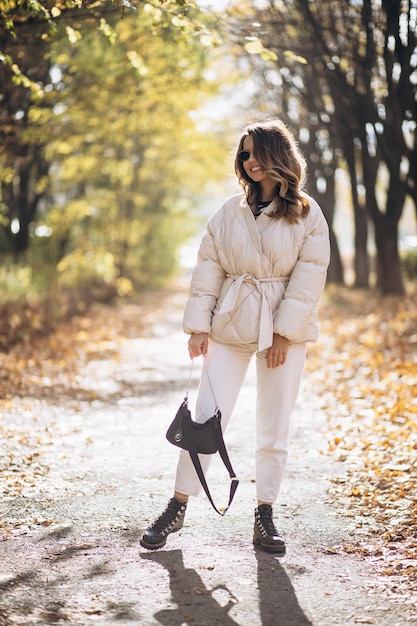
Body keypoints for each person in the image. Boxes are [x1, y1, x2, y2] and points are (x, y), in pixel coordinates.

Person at [140, 119, 330, 553]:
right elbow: (208, 269)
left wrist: (284, 333)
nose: (250, 160)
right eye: (244, 153)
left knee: (274, 423)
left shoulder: (306, 212)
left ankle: (265, 515)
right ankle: (177, 505)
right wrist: (199, 326)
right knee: (204, 417)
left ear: (278, 154)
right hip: (230, 323)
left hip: (283, 331)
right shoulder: (228, 211)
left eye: (258, 151)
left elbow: (309, 275)